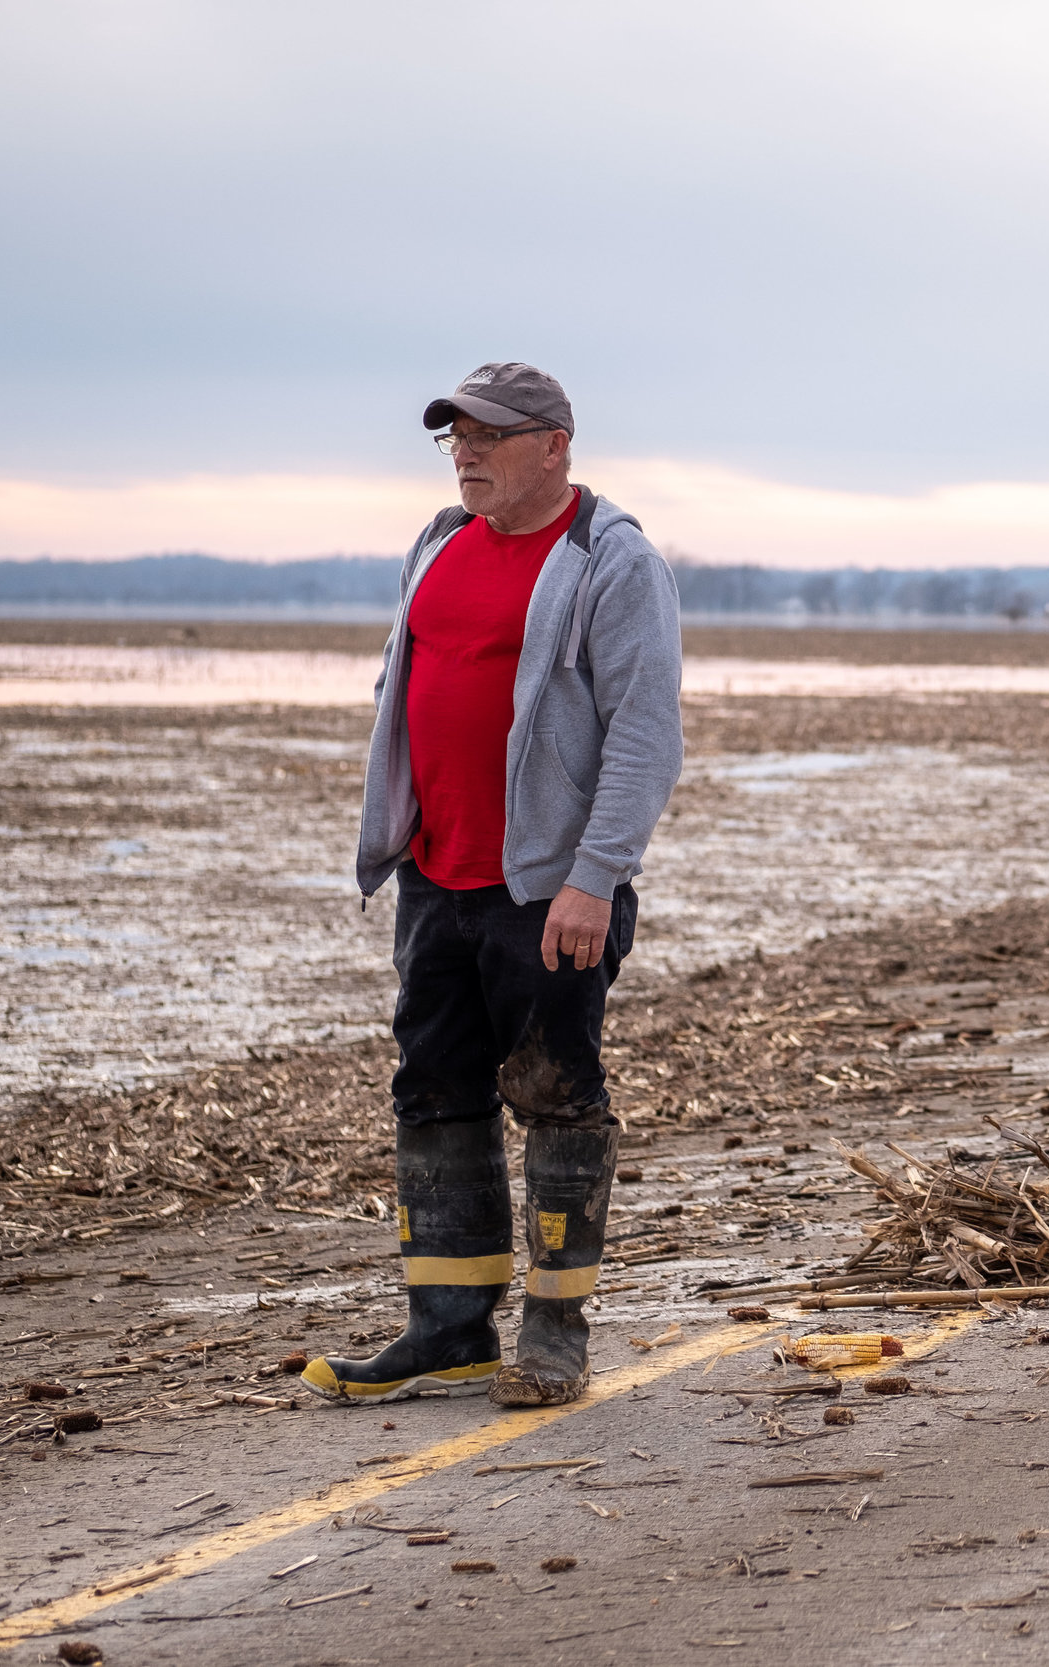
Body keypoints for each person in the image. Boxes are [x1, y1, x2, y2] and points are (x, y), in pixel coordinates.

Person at [305, 362, 682, 1408]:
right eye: (454, 437)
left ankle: (556, 1331)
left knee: (556, 1093)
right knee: (434, 1093)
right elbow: (407, 691)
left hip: (549, 890)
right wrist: (393, 834)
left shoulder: (611, 560)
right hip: (437, 872)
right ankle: (447, 1328)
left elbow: (646, 735)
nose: (464, 453)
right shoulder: (436, 547)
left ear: (555, 444)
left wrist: (594, 877)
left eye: (488, 436)